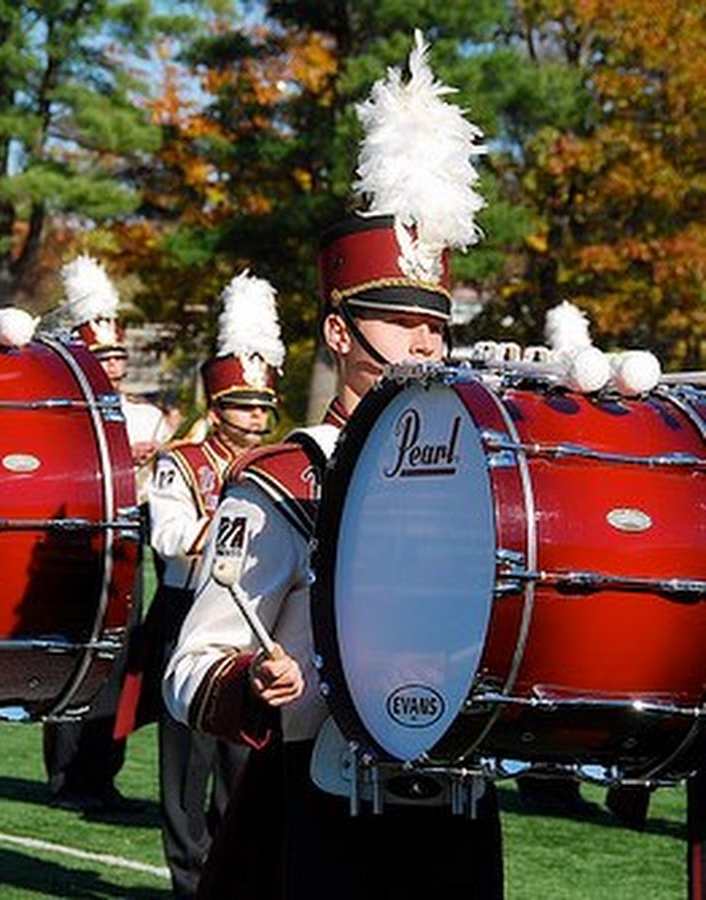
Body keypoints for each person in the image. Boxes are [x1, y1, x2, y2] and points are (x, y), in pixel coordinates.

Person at [164, 31, 504, 898]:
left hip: (460, 798)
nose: (425, 341)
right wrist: (252, 680)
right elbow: (190, 667)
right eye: (400, 320)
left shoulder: (481, 478)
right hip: (327, 803)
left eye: (436, 324)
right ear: (339, 333)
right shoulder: (286, 478)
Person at [147, 270, 285, 898]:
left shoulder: (273, 466)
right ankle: (187, 877)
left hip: (254, 612)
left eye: (262, 406)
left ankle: (231, 876)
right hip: (188, 606)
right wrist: (232, 524)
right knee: (187, 755)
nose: (257, 416)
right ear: (215, 408)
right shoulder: (181, 461)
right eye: (244, 405)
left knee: (242, 751)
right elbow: (170, 535)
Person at [39, 254, 172, 813]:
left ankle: (103, 774)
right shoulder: (61, 414)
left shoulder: (143, 414)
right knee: (79, 653)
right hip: (79, 537)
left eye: (118, 357)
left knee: (120, 655)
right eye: (103, 358)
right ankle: (66, 776)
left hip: (128, 538)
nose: (114, 367)